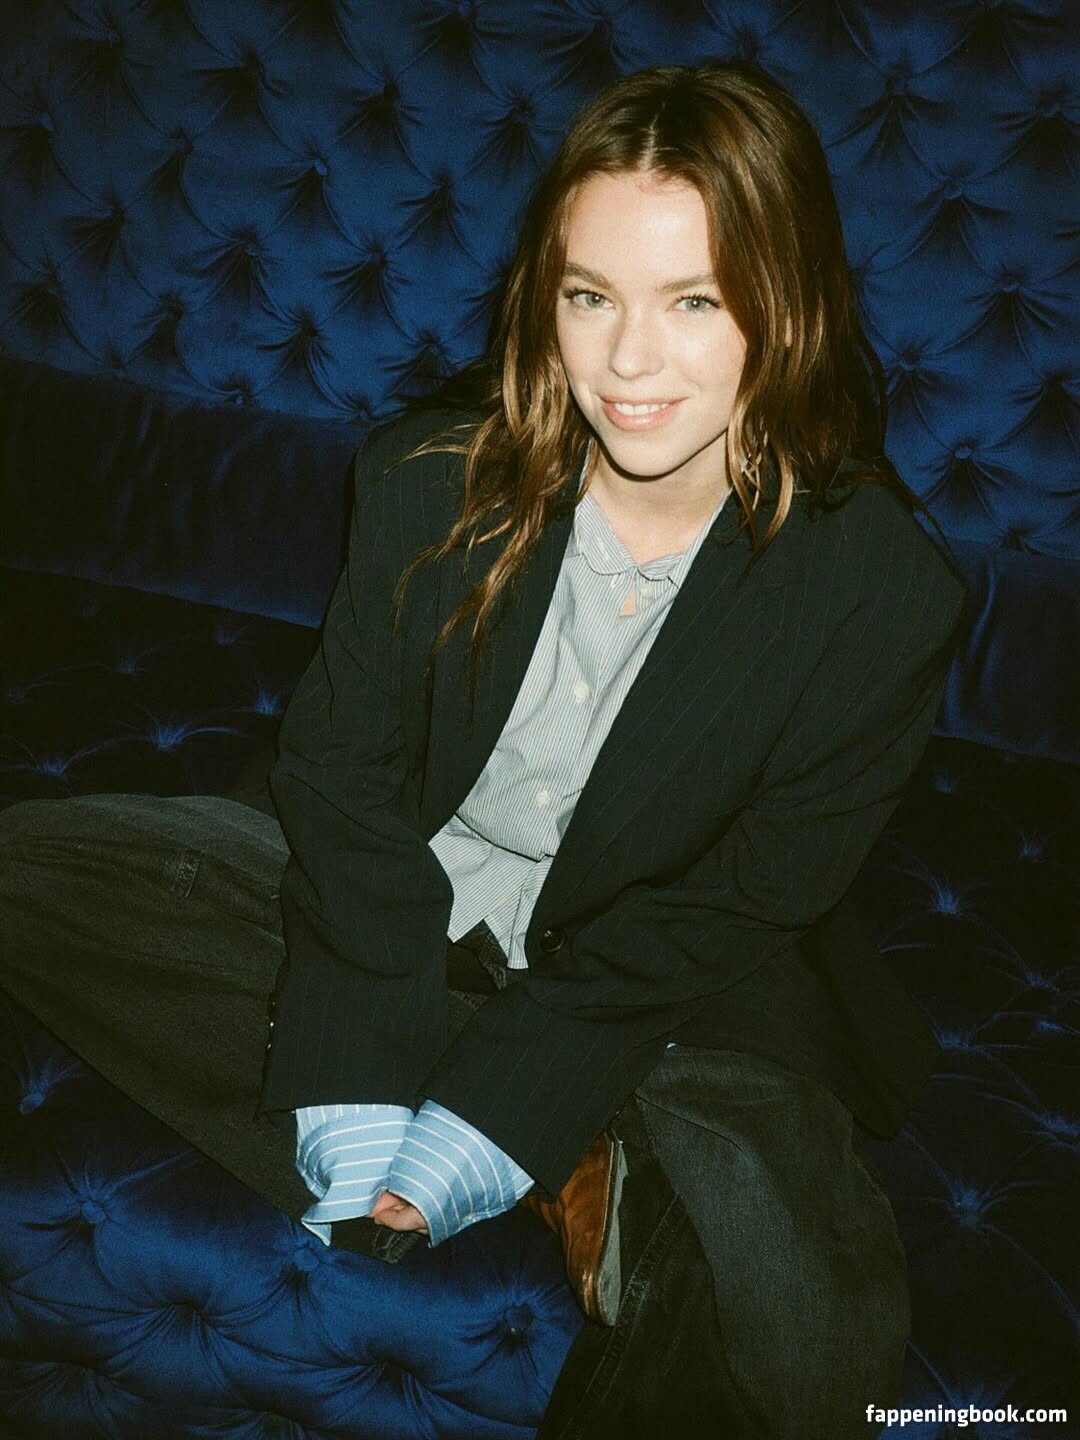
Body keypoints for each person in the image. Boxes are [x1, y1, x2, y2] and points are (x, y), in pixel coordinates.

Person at [0, 63, 966, 1437]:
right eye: (591, 296)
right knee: (34, 871)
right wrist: (354, 1060)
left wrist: (499, 1104)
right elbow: (341, 775)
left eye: (695, 301)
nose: (627, 364)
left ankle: (574, 1119)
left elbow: (737, 903)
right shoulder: (425, 481)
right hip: (405, 894)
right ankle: (571, 1137)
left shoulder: (884, 596)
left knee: (793, 1283)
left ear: (791, 300)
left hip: (670, 978)